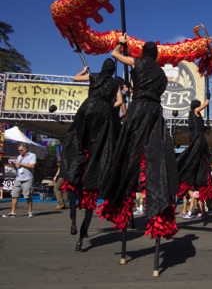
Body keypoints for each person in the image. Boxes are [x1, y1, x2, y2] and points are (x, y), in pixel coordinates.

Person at [99, 35, 178, 242]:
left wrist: (121, 42)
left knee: (127, 153)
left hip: (138, 111)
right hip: (154, 114)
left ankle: (119, 200)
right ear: (157, 55)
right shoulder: (161, 74)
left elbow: (114, 55)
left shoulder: (138, 62)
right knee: (156, 158)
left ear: (144, 53)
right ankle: (159, 205)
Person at [60, 59, 122, 250]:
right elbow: (119, 101)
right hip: (103, 111)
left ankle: (78, 151)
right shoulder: (115, 83)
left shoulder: (94, 76)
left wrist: (84, 70)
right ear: (113, 71)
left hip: (87, 107)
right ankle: (93, 158)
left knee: (77, 136)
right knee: (99, 143)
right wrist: (108, 107)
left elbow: (75, 78)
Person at [176, 98, 212, 225]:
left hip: (197, 138)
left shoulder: (193, 116)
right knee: (194, 154)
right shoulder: (195, 111)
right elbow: (201, 107)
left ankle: (201, 212)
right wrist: (206, 102)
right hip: (197, 138)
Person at [2, 143, 36, 218]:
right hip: (18, 177)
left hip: (27, 178)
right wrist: (14, 165)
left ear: (25, 149)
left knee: (27, 195)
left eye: (21, 150)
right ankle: (13, 212)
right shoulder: (19, 157)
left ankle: (30, 212)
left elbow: (32, 166)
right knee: (14, 194)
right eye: (19, 150)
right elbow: (17, 168)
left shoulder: (32, 155)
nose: (19, 152)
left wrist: (20, 163)